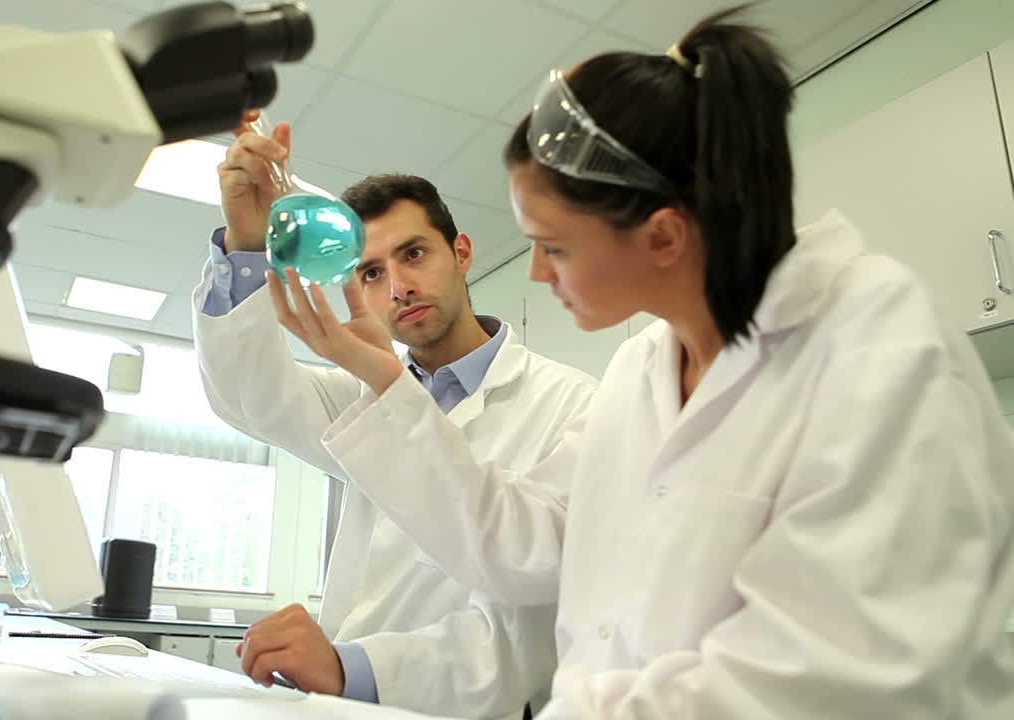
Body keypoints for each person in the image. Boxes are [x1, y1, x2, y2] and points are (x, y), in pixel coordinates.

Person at [266, 5, 1014, 719]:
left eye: (553, 246)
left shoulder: (878, 355)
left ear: (662, 237)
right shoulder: (641, 371)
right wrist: (387, 382)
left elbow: (832, 681)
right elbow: (519, 542)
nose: (535, 274)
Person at [191, 119, 598, 718]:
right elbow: (247, 394)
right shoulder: (364, 399)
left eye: (413, 254)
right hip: (336, 704)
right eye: (372, 272)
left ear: (460, 253)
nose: (399, 288)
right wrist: (247, 245)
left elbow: (530, 635)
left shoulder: (572, 406)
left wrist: (350, 668)